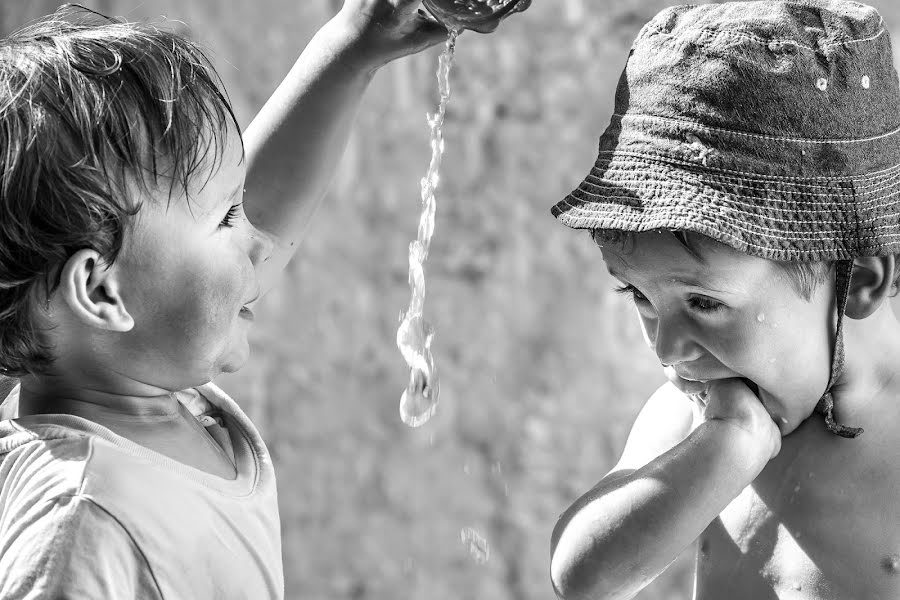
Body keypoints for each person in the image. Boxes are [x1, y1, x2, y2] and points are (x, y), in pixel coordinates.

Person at [0, 2, 522, 598]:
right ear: (101, 291)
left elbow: (230, 240)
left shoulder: (161, 395)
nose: (256, 239)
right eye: (226, 218)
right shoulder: (80, 525)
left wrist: (355, 45)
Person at [549, 1, 900, 599]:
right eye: (639, 295)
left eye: (705, 303)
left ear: (861, 281)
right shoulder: (692, 421)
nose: (668, 348)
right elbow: (583, 579)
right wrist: (720, 455)